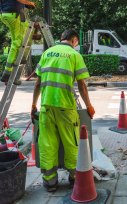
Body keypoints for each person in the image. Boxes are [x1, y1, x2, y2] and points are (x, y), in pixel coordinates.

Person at [32, 30, 96, 192]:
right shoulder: (74, 55)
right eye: (76, 42)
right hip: (66, 107)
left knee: (47, 144)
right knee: (72, 143)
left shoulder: (47, 53)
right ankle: (75, 179)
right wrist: (88, 106)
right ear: (74, 40)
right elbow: (81, 85)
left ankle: (50, 182)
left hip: (46, 107)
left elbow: (38, 83)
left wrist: (33, 105)